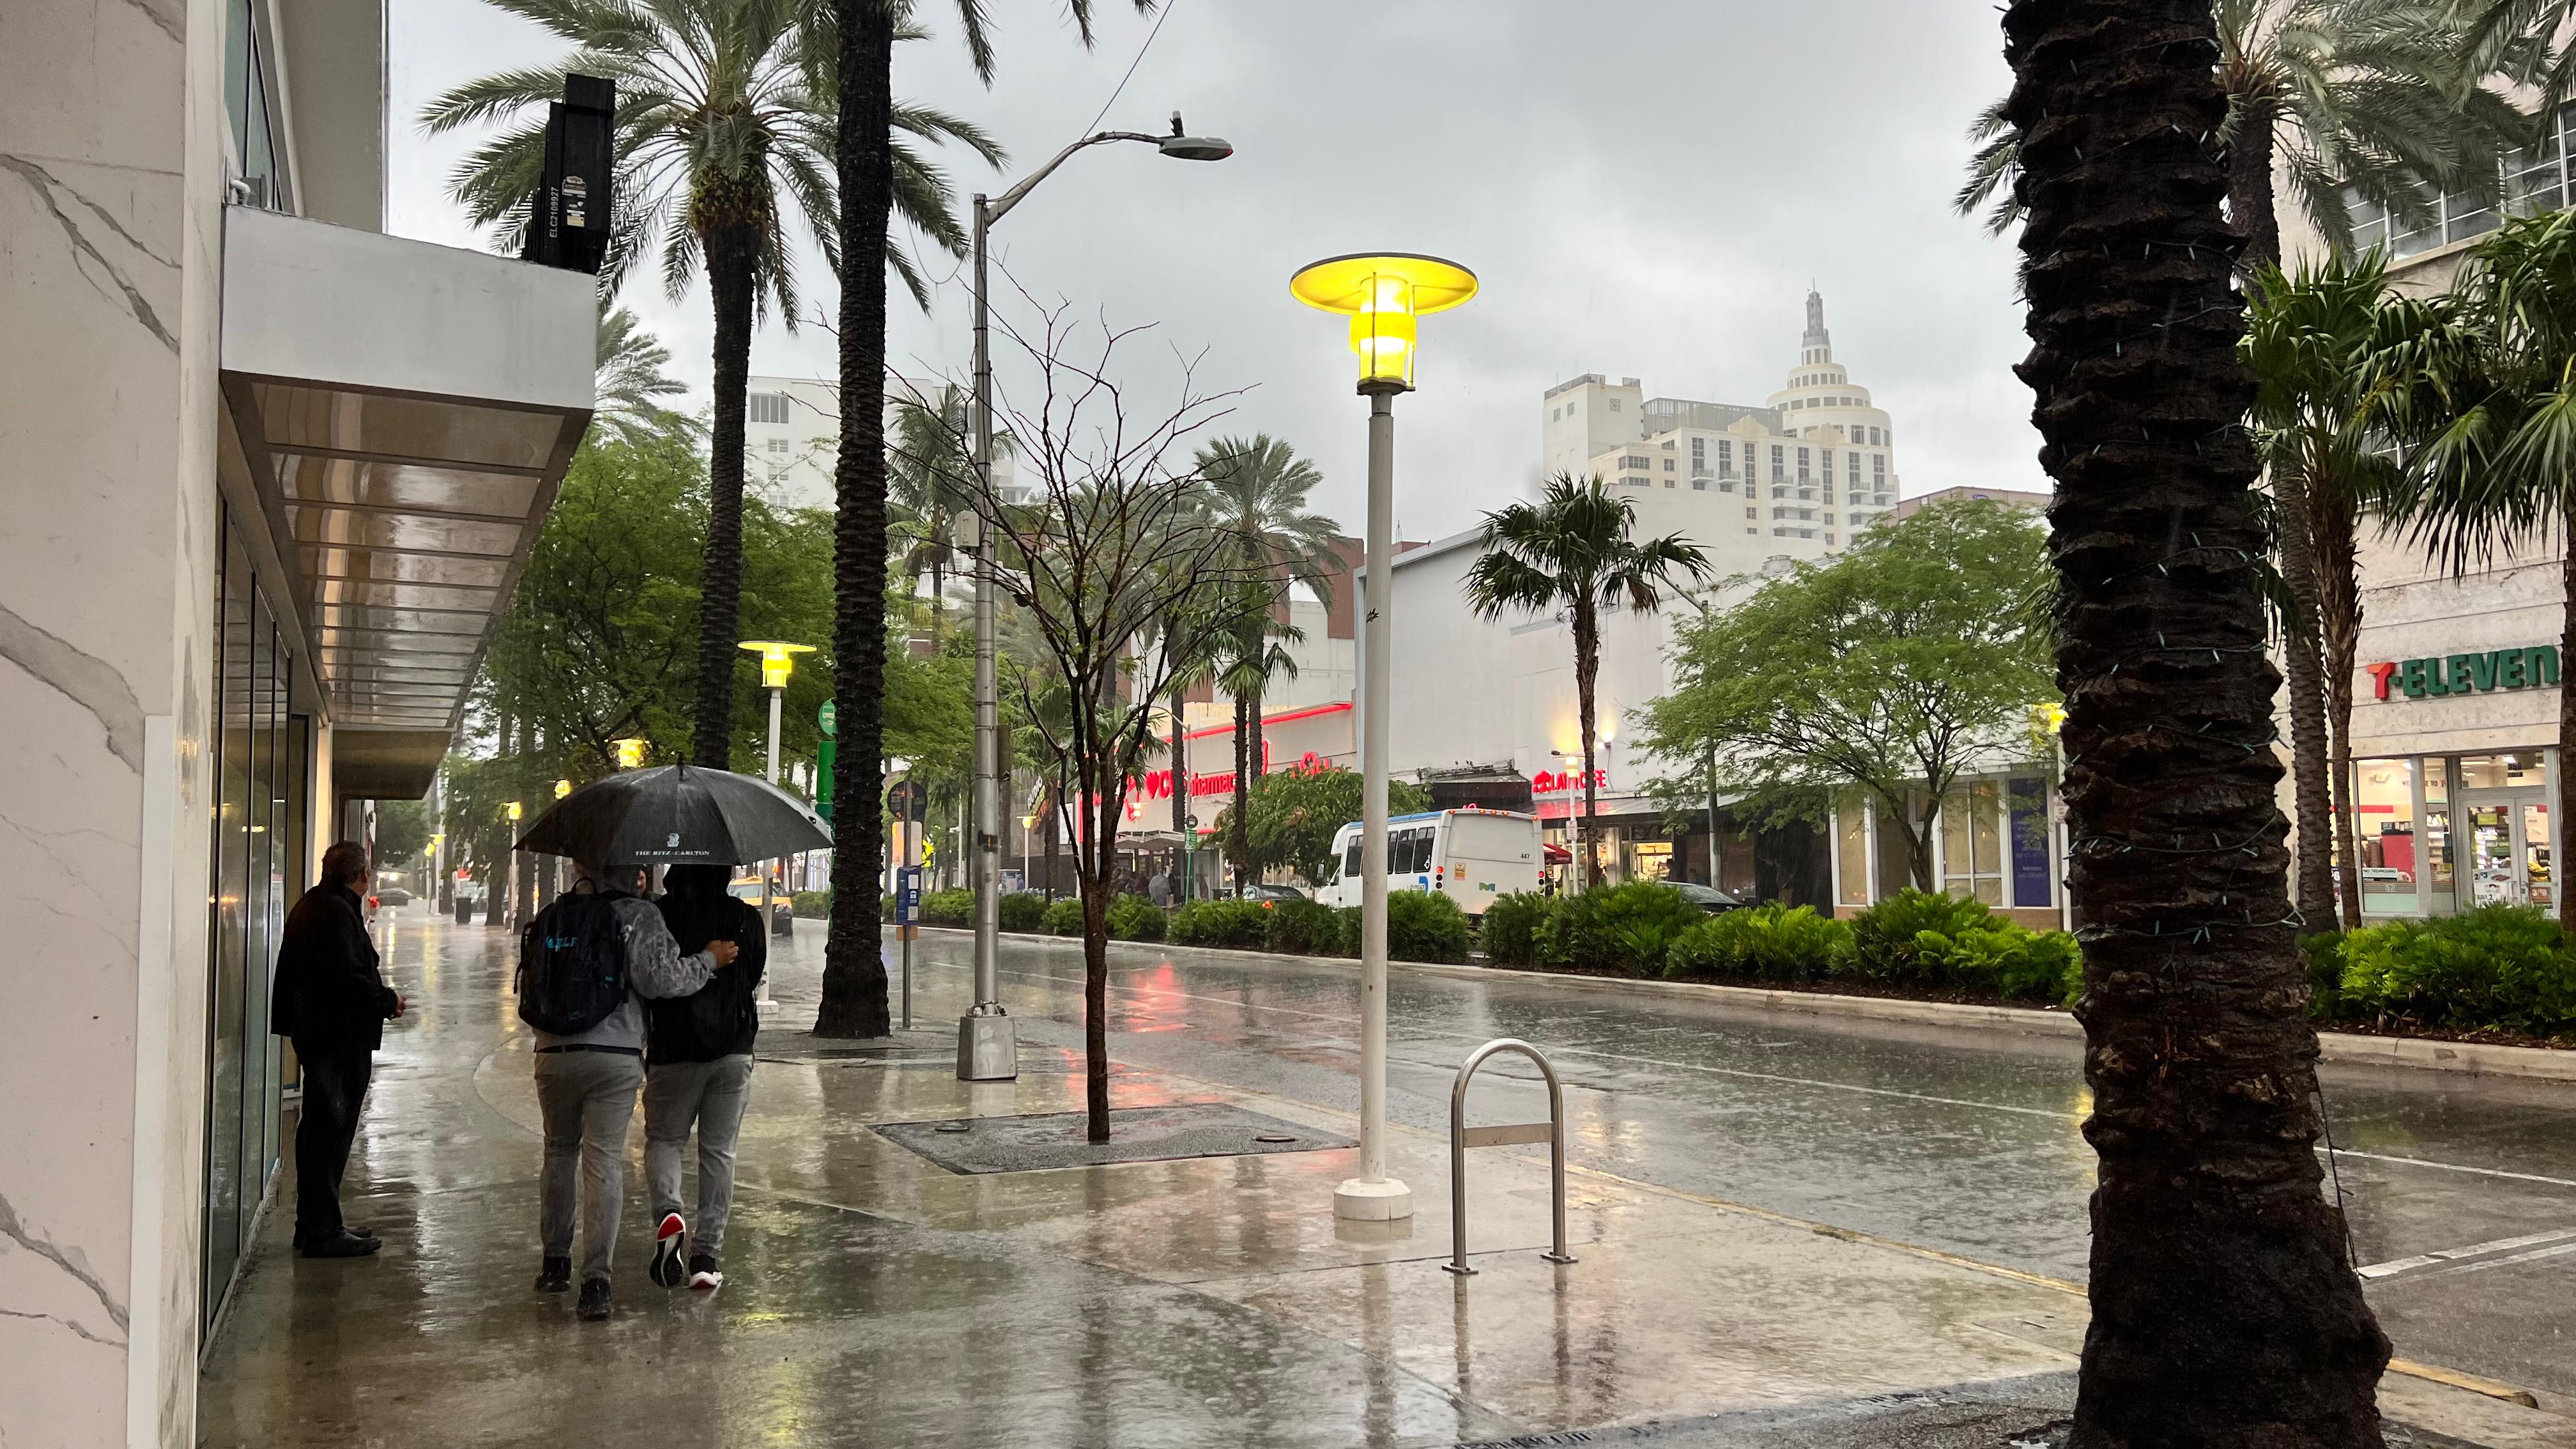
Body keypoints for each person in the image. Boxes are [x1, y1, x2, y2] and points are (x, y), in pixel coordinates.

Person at [526, 860, 737, 1322]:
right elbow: (661, 980)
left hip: (552, 1052)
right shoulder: (638, 916)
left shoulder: (553, 915)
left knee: (559, 1152)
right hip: (613, 1055)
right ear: (631, 873)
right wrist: (708, 960)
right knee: (602, 1160)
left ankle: (554, 1265)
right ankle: (596, 1283)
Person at [270, 841, 406, 1259]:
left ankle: (317, 1223)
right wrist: (388, 1001)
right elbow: (344, 978)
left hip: (326, 1035)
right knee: (329, 1130)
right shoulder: (332, 912)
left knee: (323, 1128)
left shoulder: (324, 905)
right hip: (334, 1038)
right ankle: (323, 1231)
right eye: (369, 872)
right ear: (361, 875)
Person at [642, 864, 764, 1292]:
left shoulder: (658, 916)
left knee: (665, 1141)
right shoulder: (745, 918)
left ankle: (669, 1213)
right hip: (733, 1049)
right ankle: (706, 1257)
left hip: (673, 1050)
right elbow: (751, 977)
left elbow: (649, 980)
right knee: (719, 1153)